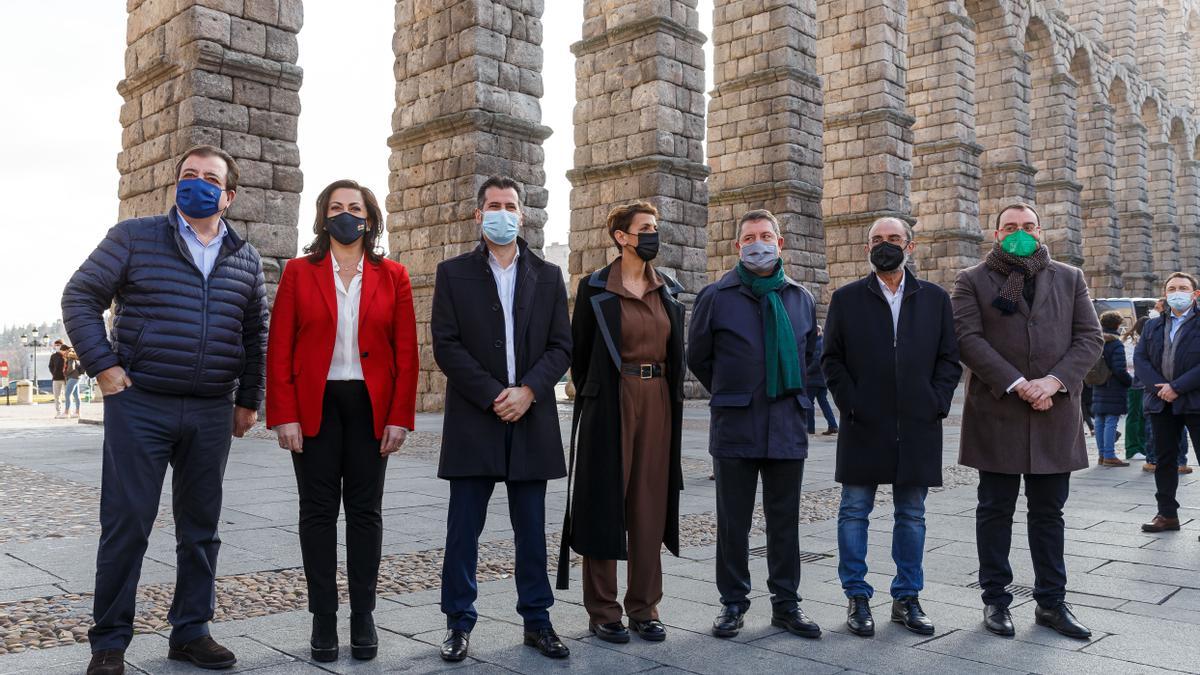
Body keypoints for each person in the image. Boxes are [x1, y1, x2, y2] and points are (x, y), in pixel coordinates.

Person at [63, 145, 268, 675]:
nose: (196, 183)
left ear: (229, 195)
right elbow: (80, 296)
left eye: (209, 178)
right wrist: (104, 367)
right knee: (127, 523)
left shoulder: (245, 257)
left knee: (201, 526)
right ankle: (109, 643)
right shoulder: (134, 237)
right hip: (141, 404)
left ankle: (191, 631)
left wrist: (248, 399)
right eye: (187, 175)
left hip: (209, 411)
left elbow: (253, 334)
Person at [266, 180, 418, 662]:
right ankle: (323, 619)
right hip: (316, 404)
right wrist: (283, 414)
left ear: (369, 219)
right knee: (316, 513)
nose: (345, 215)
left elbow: (408, 354)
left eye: (355, 208)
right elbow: (281, 347)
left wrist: (400, 417)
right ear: (323, 217)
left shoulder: (394, 275)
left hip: (371, 405)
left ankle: (363, 616)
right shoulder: (298, 272)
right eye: (336, 208)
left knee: (365, 513)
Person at [432, 176, 572, 662]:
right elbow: (446, 346)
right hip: (476, 416)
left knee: (532, 528)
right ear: (478, 215)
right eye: (493, 205)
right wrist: (495, 395)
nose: (502, 213)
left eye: (510, 205)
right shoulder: (453, 274)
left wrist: (529, 391)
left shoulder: (550, 276)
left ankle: (537, 619)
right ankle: (457, 621)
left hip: (531, 418)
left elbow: (562, 346)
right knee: (462, 529)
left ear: (523, 215)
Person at [951, 202, 1101, 640]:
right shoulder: (972, 279)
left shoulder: (1069, 278)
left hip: (1054, 412)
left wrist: (1053, 382)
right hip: (998, 411)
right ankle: (996, 601)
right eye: (1011, 227)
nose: (1020, 232)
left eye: (1028, 226)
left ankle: (1051, 603)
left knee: (1049, 514)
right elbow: (966, 338)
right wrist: (1019, 383)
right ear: (996, 234)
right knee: (994, 511)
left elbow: (1089, 337)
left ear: (1041, 231)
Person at [822, 217, 962, 638]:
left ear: (910, 246)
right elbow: (831, 359)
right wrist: (851, 404)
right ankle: (857, 596)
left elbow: (949, 360)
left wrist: (935, 402)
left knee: (912, 514)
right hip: (863, 422)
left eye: (894, 239)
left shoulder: (935, 298)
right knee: (853, 510)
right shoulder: (846, 298)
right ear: (867, 248)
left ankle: (907, 597)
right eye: (877, 240)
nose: (885, 245)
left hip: (918, 423)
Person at [688, 209, 822, 641]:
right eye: (750, 237)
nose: (758, 243)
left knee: (785, 521)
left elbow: (811, 358)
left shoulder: (800, 298)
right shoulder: (716, 296)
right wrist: (732, 390)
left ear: (780, 244)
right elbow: (698, 356)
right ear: (737, 246)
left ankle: (787, 603)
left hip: (785, 424)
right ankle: (733, 603)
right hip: (736, 425)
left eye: (766, 236)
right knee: (733, 522)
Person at [559, 201, 686, 644]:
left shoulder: (668, 288)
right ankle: (603, 609)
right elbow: (580, 356)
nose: (652, 234)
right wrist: (597, 397)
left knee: (649, 502)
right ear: (621, 236)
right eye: (645, 228)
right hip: (611, 400)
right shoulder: (594, 288)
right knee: (605, 500)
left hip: (658, 401)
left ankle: (645, 606)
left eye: (655, 227)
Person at [1133, 272, 1200, 533]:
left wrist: (1177, 387)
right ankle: (1167, 515)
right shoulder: (1152, 325)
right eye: (1171, 288)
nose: (1177, 292)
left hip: (1195, 400)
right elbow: (1141, 360)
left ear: (1195, 294)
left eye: (1183, 287)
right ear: (1165, 293)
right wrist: (1161, 388)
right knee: (1164, 460)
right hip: (1161, 402)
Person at [1090, 312, 1132, 467]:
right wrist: (1129, 382)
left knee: (1100, 420)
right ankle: (1109, 455)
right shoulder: (1116, 343)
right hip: (1113, 385)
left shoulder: (1097, 340)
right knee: (1111, 420)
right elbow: (1119, 369)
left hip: (1098, 383)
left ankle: (1102, 455)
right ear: (1118, 325)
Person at [806, 326, 838, 436]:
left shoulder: (817, 344)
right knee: (824, 404)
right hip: (822, 380)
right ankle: (833, 425)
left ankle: (810, 428)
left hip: (813, 380)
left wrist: (805, 371)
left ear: (817, 332)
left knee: (809, 403)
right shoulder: (824, 343)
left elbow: (815, 362)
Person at [1124, 317, 1147, 461]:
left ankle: (1142, 446)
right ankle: (1132, 448)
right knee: (1134, 415)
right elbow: (1128, 360)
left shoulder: (1144, 339)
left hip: (1144, 382)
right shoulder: (1130, 340)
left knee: (1143, 416)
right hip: (1134, 382)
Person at [62, 346, 84, 418]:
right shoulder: (73, 355)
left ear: (65, 351)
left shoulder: (70, 357)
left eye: (62, 351)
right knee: (76, 395)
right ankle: (77, 412)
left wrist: (66, 374)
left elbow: (71, 367)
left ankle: (66, 412)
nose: (62, 353)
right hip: (77, 377)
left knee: (67, 394)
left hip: (73, 377)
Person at [49, 338, 66, 417]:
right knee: (57, 396)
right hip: (56, 378)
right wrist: (53, 373)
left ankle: (67, 411)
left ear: (62, 345)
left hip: (65, 378)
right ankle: (58, 412)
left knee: (68, 395)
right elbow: (50, 366)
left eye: (58, 345)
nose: (57, 347)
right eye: (56, 345)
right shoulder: (53, 356)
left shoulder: (66, 354)